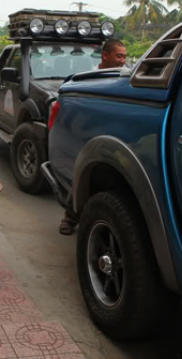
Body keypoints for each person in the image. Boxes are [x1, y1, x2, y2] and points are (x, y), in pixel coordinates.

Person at [59, 39, 126, 236]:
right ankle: (69, 218)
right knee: (80, 176)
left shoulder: (127, 76)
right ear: (105, 56)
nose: (123, 61)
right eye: (119, 56)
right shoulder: (88, 78)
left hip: (115, 137)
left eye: (124, 56)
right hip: (89, 136)